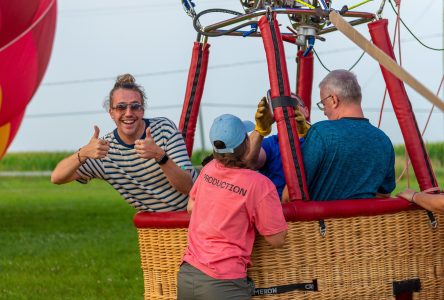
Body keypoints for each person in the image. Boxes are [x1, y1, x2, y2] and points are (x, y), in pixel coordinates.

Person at [177, 114, 288, 300]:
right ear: (246, 142)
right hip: (224, 282)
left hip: (188, 275)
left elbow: (191, 206)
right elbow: (276, 239)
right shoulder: (259, 184)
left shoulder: (208, 169)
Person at [51, 74, 196, 212]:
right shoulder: (105, 151)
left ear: (142, 111)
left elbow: (189, 186)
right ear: (111, 113)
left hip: (197, 213)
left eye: (135, 106)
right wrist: (82, 153)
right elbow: (57, 177)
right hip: (156, 229)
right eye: (121, 107)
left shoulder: (164, 129)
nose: (128, 113)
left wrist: (160, 156)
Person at [248, 69, 396, 201]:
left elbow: (289, 196)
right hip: (366, 228)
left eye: (324, 104)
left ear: (333, 100)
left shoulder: (321, 133)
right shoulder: (384, 140)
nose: (324, 112)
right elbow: (384, 194)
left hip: (322, 228)